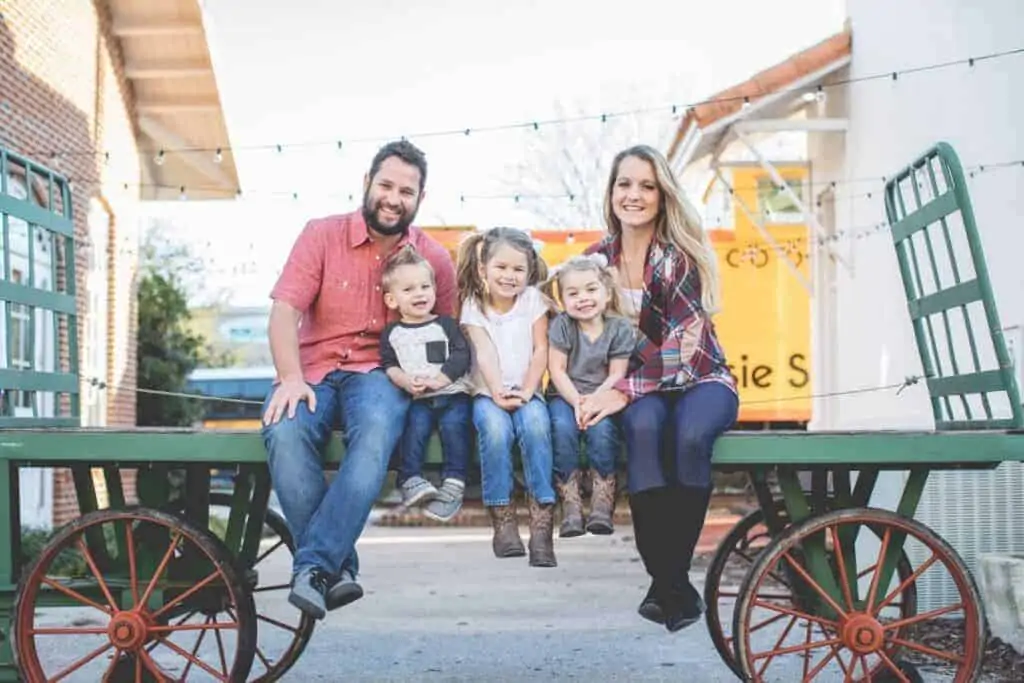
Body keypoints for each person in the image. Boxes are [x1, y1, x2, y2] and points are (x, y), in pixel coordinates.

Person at [261, 139, 458, 620]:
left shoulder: (434, 258)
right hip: (312, 370)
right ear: (367, 184)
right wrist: (289, 378)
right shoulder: (321, 235)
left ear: (419, 200)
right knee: (284, 432)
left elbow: (448, 334)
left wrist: (431, 383)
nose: (394, 198)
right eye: (386, 185)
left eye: (406, 191)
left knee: (374, 435)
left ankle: (313, 566)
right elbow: (285, 311)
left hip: (381, 372)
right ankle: (335, 567)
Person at [577, 144, 738, 633]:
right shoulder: (593, 262)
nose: (635, 194)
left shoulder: (678, 258)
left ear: (662, 195)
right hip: (641, 392)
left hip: (701, 379)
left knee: (688, 436)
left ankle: (666, 583)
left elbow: (684, 345)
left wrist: (621, 391)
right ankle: (673, 587)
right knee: (645, 430)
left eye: (647, 185)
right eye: (624, 183)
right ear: (610, 192)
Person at [456, 227, 558, 567]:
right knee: (496, 432)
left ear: (529, 272)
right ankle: (503, 520)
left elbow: (541, 348)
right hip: (488, 392)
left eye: (518, 269)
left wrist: (529, 390)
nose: (509, 276)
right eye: (501, 267)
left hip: (528, 390)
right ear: (484, 268)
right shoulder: (474, 306)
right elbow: (483, 352)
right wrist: (498, 391)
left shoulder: (534, 301)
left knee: (536, 428)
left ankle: (542, 524)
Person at [541, 254, 635, 537]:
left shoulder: (618, 328)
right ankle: (569, 504)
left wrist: (594, 402)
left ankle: (601, 501)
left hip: (602, 396)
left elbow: (617, 373)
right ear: (563, 300)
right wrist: (577, 402)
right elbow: (556, 370)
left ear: (606, 293)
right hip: (564, 395)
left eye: (591, 290)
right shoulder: (562, 326)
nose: (582, 298)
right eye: (573, 293)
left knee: (603, 431)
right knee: (561, 428)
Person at [379, 244, 473, 522]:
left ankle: (454, 482)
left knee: (455, 427)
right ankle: (410, 480)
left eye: (424, 287)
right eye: (408, 290)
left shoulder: (446, 325)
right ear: (391, 300)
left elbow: (461, 355)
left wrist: (440, 380)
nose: (419, 294)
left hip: (453, 394)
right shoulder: (392, 333)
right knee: (413, 429)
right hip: (418, 398)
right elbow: (389, 365)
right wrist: (405, 381)